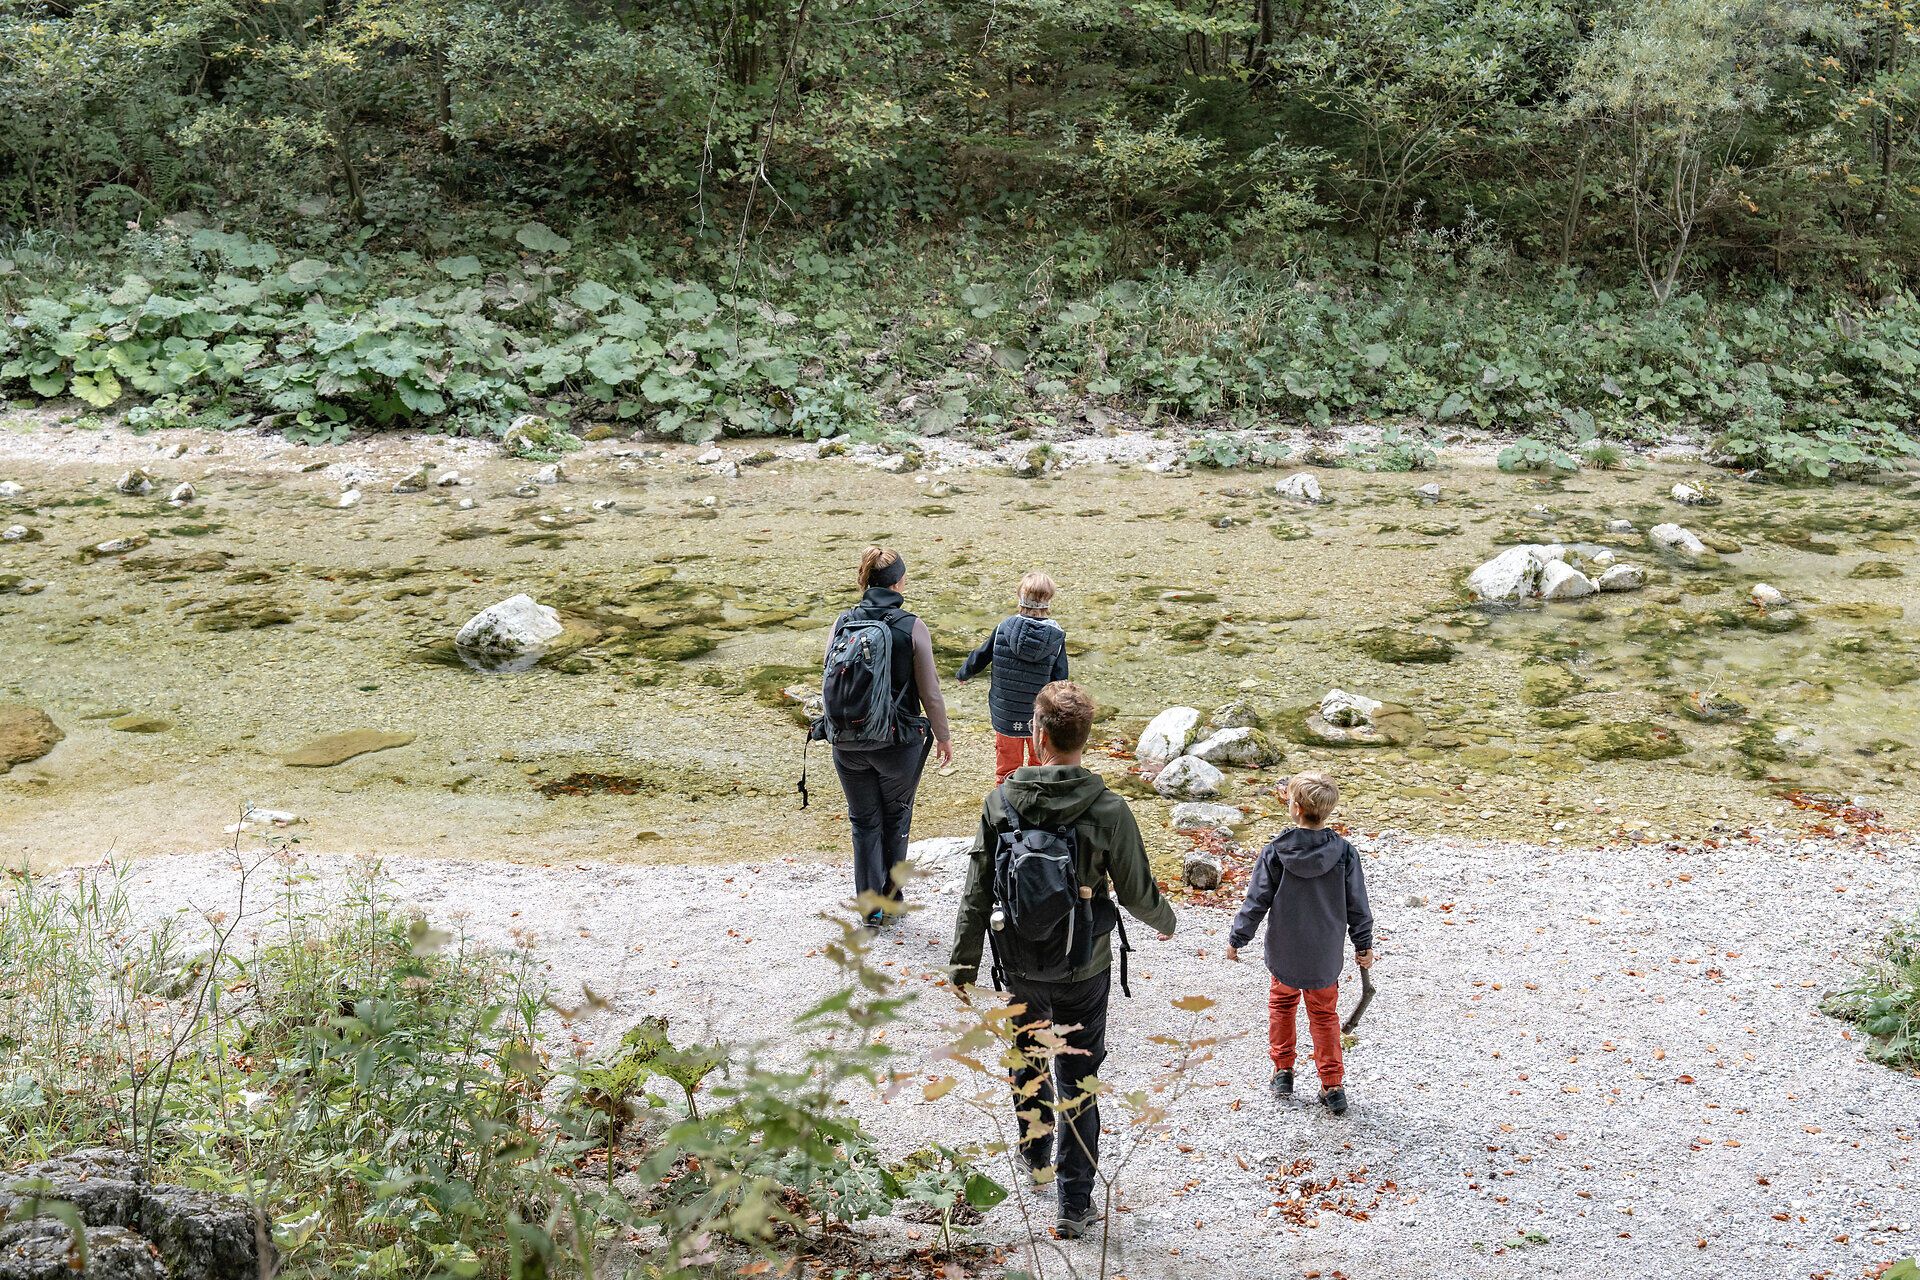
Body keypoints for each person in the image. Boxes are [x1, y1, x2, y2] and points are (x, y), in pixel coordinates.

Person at [949, 680, 1176, 1240]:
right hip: (1085, 965)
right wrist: (1167, 923)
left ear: (1038, 734)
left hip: (1019, 962)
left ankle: (1035, 1159)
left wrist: (962, 963)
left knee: (1027, 1060)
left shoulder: (1000, 802)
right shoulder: (1108, 808)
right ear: (1084, 737)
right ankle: (1074, 1204)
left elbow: (978, 887)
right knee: (1079, 1078)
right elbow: (1137, 890)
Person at [1224, 771, 1374, 1116]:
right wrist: (1362, 945)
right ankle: (1332, 1086)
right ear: (1327, 810)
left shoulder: (1276, 852)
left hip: (1285, 951)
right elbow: (1357, 905)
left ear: (1295, 808)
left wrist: (1238, 938)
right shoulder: (1345, 853)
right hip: (1324, 956)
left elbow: (1256, 901)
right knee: (1324, 1015)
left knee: (1282, 1006)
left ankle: (1283, 1072)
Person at [827, 546, 953, 925]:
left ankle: (870, 908)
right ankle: (891, 900)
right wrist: (944, 736)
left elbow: (829, 682)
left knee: (864, 823)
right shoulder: (911, 626)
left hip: (847, 742)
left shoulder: (843, 622)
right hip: (897, 743)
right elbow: (929, 692)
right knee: (896, 819)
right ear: (899, 581)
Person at [955, 570, 1070, 784]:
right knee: (1040, 764)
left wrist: (965, 673)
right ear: (1049, 600)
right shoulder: (1055, 637)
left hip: (1006, 714)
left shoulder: (1003, 628)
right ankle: (1038, 801)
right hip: (1038, 716)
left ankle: (1005, 806)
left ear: (1020, 598)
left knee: (1007, 767)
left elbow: (981, 655)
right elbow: (1060, 677)